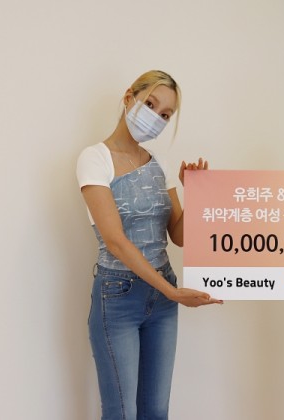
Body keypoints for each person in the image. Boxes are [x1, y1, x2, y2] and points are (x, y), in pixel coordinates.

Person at [76, 70, 222, 419]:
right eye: (151, 105)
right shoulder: (94, 159)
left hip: (162, 297)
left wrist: (197, 192)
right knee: (121, 411)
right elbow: (115, 241)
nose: (156, 117)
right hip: (118, 296)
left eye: (166, 115)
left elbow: (179, 235)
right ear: (130, 97)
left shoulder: (160, 164)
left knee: (156, 410)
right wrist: (173, 293)